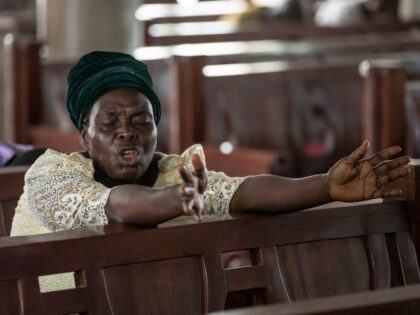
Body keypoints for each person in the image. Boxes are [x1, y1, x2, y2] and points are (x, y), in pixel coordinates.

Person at [10, 51, 410, 292]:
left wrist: (325, 185)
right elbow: (116, 206)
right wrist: (180, 198)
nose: (127, 132)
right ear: (84, 134)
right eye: (109, 123)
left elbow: (245, 191)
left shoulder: (174, 171)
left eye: (141, 120)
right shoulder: (49, 175)